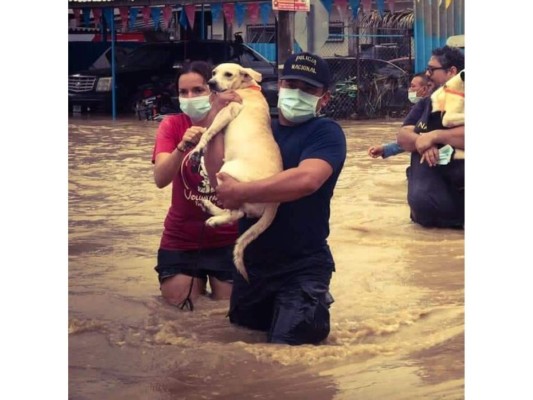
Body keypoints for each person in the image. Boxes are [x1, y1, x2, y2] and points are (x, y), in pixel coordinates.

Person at [204, 52, 347, 345]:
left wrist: (242, 192)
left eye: (308, 89)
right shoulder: (254, 122)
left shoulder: (326, 132)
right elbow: (219, 174)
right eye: (291, 84)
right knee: (244, 351)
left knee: (288, 357)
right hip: (252, 264)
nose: (297, 93)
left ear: (325, 98)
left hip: (302, 267)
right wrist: (214, 117)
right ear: (279, 85)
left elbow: (307, 180)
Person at [151, 60, 242, 310]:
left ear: (214, 90)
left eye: (198, 90)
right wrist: (182, 146)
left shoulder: (238, 123)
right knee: (179, 314)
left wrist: (214, 120)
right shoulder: (172, 125)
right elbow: (160, 179)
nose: (190, 97)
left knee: (225, 316)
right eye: (183, 92)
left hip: (229, 237)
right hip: (181, 239)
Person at [396, 46, 465, 228]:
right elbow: (403, 136)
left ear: (451, 72)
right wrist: (422, 142)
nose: (428, 74)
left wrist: (436, 136)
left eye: (432, 69)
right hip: (429, 221)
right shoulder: (427, 102)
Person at [368, 73, 433, 159]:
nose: (409, 90)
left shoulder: (431, 110)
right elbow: (410, 139)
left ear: (424, 89)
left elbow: (416, 139)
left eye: (413, 86)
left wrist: (386, 149)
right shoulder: (419, 110)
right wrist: (385, 149)